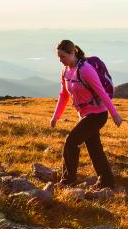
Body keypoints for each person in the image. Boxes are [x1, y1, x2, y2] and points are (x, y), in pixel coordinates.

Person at [51, 39, 123, 189]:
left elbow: (101, 92)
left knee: (71, 142)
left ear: (72, 53)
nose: (60, 60)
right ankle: (107, 181)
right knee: (94, 148)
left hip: (97, 115)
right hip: (84, 115)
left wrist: (114, 113)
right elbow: (63, 95)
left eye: (63, 57)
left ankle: (68, 180)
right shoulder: (65, 71)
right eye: (58, 57)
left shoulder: (85, 70)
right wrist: (55, 116)